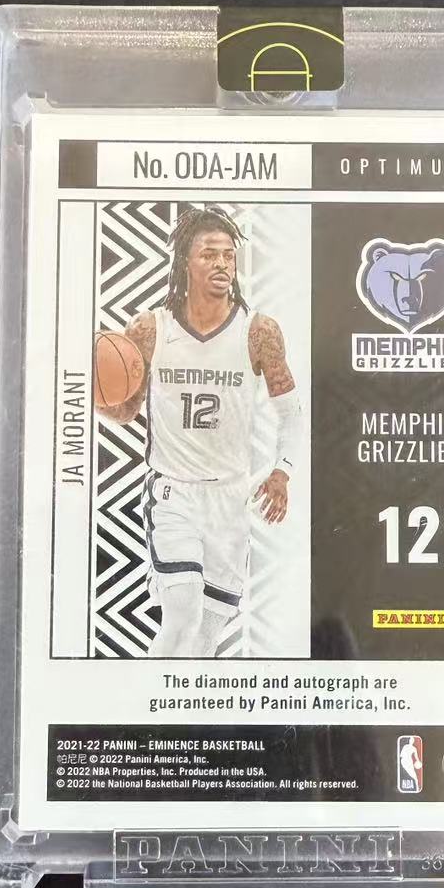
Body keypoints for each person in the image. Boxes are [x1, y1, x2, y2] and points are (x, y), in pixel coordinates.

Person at [96, 207, 302, 657]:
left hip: (230, 498)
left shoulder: (259, 332)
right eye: (209, 254)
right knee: (182, 613)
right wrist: (94, 391)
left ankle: (182, 703)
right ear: (185, 262)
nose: (222, 264)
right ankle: (140, 701)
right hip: (174, 492)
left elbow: (291, 413)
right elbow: (126, 411)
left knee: (207, 635)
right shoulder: (149, 329)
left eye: (228, 255)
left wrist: (282, 471)